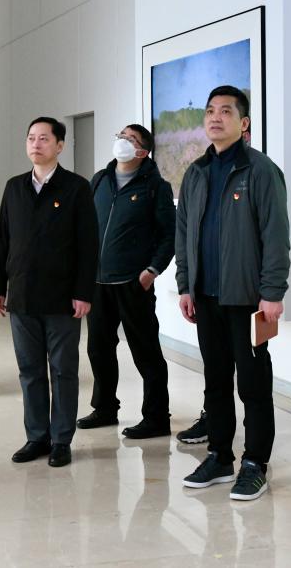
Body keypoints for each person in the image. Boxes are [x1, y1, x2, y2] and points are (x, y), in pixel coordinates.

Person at [175, 85, 289, 500]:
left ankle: (255, 463)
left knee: (253, 386)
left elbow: (275, 236)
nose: (215, 117)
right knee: (216, 381)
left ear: (244, 123)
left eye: (225, 111)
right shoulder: (196, 173)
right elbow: (183, 233)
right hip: (206, 298)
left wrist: (272, 291)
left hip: (247, 299)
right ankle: (220, 456)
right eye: (209, 111)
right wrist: (185, 285)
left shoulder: (260, 171)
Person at [0, 117, 98, 468]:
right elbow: (2, 240)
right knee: (29, 370)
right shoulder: (14, 187)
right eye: (31, 138)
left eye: (44, 139)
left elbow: (88, 245)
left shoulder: (76, 188)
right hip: (22, 296)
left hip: (62, 298)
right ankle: (37, 436)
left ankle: (61, 439)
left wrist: (83, 292)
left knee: (63, 370)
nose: (36, 144)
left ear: (60, 145)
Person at [76, 124, 175, 438]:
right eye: (120, 135)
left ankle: (156, 417)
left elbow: (168, 236)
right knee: (98, 349)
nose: (121, 141)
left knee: (146, 352)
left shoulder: (155, 187)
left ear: (142, 151)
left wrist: (151, 271)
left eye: (130, 138)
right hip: (98, 283)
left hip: (133, 284)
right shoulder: (99, 180)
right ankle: (105, 408)